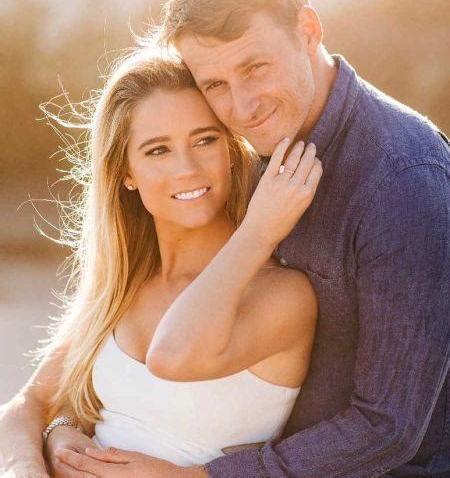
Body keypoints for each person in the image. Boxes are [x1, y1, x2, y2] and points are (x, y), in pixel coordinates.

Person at [46, 0, 449, 478]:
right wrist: (55, 433)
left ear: (308, 31)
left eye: (255, 67)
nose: (241, 107)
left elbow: (388, 427)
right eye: (214, 84)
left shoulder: (403, 181)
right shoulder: (249, 147)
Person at [0, 52, 322, 477]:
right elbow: (27, 405)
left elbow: (175, 353)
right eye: (158, 150)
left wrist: (259, 231)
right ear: (126, 173)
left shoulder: (283, 294)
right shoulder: (124, 285)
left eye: (205, 140)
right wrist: (40, 453)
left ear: (230, 150)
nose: (187, 168)